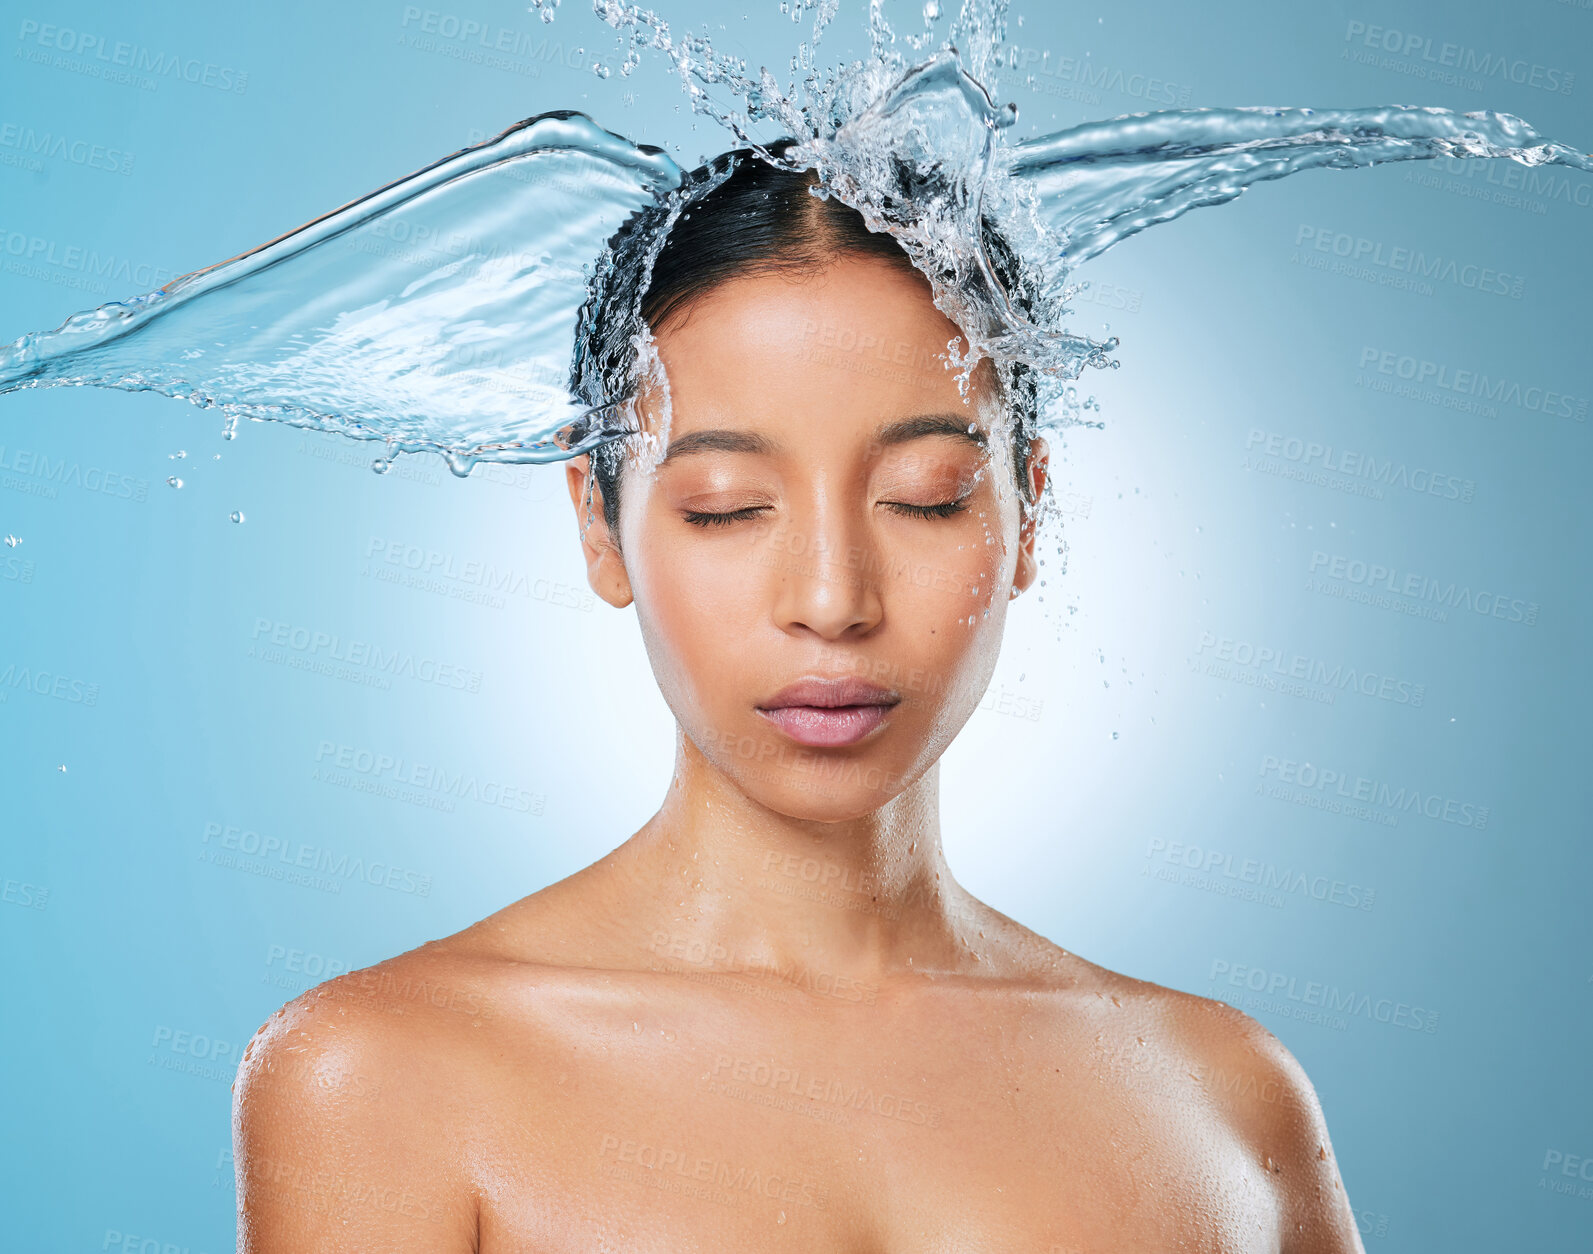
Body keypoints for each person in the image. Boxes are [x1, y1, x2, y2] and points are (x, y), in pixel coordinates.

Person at [231, 140, 1367, 1253]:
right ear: (598, 523)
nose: (832, 600)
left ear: (1029, 510)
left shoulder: (1223, 1100)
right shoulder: (386, 1077)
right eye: (727, 506)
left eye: (927, 497)